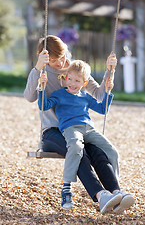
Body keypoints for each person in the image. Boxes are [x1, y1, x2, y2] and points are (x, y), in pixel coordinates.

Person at [24, 35, 134, 214]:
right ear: (43, 57)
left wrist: (110, 72)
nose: (59, 63)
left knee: (100, 152)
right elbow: (30, 97)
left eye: (61, 57)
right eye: (52, 60)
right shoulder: (42, 70)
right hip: (53, 131)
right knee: (77, 151)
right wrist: (38, 68)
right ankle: (100, 195)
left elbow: (99, 95)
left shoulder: (76, 70)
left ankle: (116, 192)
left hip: (81, 128)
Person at [38, 59, 118, 209]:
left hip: (88, 128)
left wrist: (108, 91)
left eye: (77, 81)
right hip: (70, 128)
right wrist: (41, 88)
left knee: (111, 150)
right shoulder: (59, 94)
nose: (72, 83)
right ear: (65, 77)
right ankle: (66, 188)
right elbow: (44, 105)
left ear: (84, 83)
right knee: (75, 147)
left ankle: (115, 189)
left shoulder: (85, 97)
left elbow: (103, 109)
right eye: (70, 79)